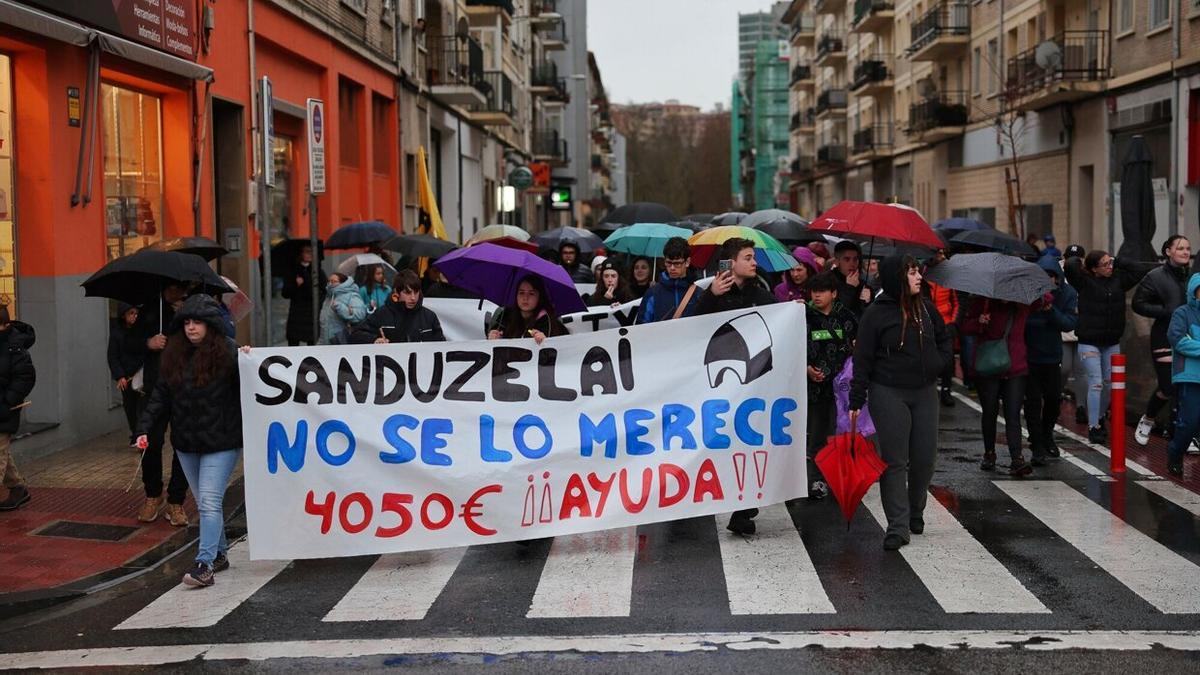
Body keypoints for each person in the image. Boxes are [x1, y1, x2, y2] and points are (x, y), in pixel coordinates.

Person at [136, 295, 241, 587]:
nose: (191, 328)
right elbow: (159, 397)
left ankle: (203, 564)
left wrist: (249, 359)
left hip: (222, 442)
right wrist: (143, 428)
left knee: (208, 501)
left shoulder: (230, 353)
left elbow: (254, 387)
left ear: (211, 325)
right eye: (187, 322)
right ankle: (219, 554)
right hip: (186, 442)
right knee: (205, 502)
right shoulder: (173, 356)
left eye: (197, 322)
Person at [849, 255, 951, 550]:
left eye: (918, 271)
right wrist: (857, 396)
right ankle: (897, 526)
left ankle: (916, 510)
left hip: (924, 392)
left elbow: (945, 339)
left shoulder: (927, 310)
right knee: (894, 461)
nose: (919, 277)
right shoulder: (876, 314)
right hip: (888, 391)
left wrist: (939, 363)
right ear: (897, 278)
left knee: (924, 460)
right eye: (911, 272)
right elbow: (863, 358)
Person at [696, 238, 778, 535]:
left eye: (754, 257)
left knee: (751, 443)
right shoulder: (713, 294)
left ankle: (743, 508)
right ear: (730, 263)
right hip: (719, 385)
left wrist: (795, 311)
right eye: (748, 257)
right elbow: (690, 331)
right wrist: (710, 297)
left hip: (754, 385)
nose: (754, 262)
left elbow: (780, 323)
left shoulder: (762, 294)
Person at [1065, 249, 1146, 443]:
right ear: (1093, 269)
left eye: (1110, 263)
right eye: (1105, 264)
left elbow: (1139, 269)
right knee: (1096, 381)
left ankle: (1100, 416)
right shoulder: (1084, 282)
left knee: (1110, 386)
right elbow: (1070, 265)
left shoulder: (1119, 280)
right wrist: (1082, 259)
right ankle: (1094, 426)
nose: (1109, 267)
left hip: (1111, 342)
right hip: (1089, 341)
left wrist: (1117, 260)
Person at [127, 284, 190, 526]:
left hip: (185, 388)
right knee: (150, 442)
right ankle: (153, 495)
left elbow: (214, 335)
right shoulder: (150, 311)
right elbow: (129, 344)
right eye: (176, 287)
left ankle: (176, 501)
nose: (181, 291)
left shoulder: (191, 308)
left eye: (185, 287)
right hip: (155, 388)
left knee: (183, 444)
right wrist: (148, 343)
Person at [962, 296, 1034, 476]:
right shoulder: (983, 302)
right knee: (990, 411)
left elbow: (1044, 299)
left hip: (1016, 366)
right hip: (989, 366)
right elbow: (965, 327)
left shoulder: (1021, 303)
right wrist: (979, 322)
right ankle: (989, 453)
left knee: (1013, 414)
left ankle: (1017, 458)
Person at [1132, 235, 1193, 446]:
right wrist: (1165, 311)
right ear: (1168, 251)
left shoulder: (1193, 277)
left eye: (1188, 248)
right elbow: (1138, 304)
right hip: (1164, 336)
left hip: (1190, 338)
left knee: (1188, 386)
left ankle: (1182, 432)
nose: (1185, 252)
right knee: (1168, 386)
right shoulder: (1155, 276)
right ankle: (1148, 418)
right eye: (1180, 248)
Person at [804, 272, 857, 500]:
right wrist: (806, 368)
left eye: (822, 291)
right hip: (815, 388)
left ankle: (841, 477)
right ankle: (816, 480)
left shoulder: (847, 318)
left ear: (834, 293)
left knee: (842, 434)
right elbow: (792, 346)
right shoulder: (804, 316)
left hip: (842, 390)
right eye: (814, 291)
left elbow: (859, 349)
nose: (816, 295)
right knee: (817, 436)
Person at [1024, 257, 1079, 464]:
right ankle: (1037, 444)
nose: (1049, 280)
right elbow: (1023, 321)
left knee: (1054, 400)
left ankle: (1047, 435)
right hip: (1029, 356)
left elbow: (1068, 323)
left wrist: (1050, 311)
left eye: (1053, 277)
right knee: (1032, 401)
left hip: (1052, 355)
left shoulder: (1067, 294)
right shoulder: (1027, 293)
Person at [0, 306, 35, 512]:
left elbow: (26, 377)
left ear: (5, 325)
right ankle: (18, 487)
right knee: (2, 452)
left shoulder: (16, 347)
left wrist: (7, 402)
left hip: (5, 409)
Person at [350, 270, 445, 344]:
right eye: (407, 293)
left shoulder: (429, 316)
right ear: (396, 292)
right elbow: (356, 334)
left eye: (416, 292)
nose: (413, 298)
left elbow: (441, 344)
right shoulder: (382, 314)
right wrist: (374, 340)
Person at [1166, 273, 1200, 476]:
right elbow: (1178, 340)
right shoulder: (1182, 313)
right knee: (1189, 420)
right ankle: (1175, 452)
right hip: (1190, 376)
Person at [637, 237, 701, 323]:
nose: (672, 268)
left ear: (687, 262)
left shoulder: (698, 293)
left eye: (677, 263)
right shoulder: (653, 293)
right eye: (668, 263)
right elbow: (641, 327)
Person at [925, 249, 959, 407]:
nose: (943, 256)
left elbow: (956, 301)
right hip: (929, 322)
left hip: (946, 323)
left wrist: (952, 321)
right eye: (939, 253)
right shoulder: (924, 273)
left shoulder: (949, 276)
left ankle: (946, 390)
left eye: (944, 253)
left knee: (948, 359)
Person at [488, 275, 568, 344]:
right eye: (521, 293)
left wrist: (546, 341)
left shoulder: (546, 320)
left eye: (531, 293)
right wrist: (493, 334)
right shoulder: (506, 314)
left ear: (539, 297)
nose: (525, 298)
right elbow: (496, 334)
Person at [108, 303, 144, 447]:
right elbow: (113, 356)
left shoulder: (141, 331)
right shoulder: (117, 334)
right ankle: (135, 432)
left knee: (142, 406)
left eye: (136, 313)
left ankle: (140, 434)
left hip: (141, 374)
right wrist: (120, 376)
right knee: (130, 407)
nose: (134, 316)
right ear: (124, 315)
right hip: (126, 377)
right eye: (131, 313)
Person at [1060, 244, 1087, 422]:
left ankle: (1081, 407)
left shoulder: (1088, 274)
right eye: (1070, 257)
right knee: (1064, 368)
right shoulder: (1057, 275)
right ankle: (1054, 397)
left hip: (1084, 329)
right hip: (1063, 328)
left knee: (1081, 371)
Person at [281, 244, 325, 346]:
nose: (310, 254)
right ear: (301, 254)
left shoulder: (317, 270)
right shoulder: (293, 271)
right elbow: (285, 293)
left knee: (312, 341)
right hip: (297, 312)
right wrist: (295, 285)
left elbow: (324, 289)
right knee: (293, 341)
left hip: (312, 312)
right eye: (307, 251)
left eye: (312, 251)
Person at [319, 273, 367, 344]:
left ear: (343, 283)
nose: (330, 284)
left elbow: (360, 314)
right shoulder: (329, 297)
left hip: (342, 340)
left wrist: (341, 308)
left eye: (334, 281)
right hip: (325, 341)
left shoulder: (351, 295)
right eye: (329, 281)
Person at [831, 241, 871, 316]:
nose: (852, 264)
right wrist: (850, 288)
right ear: (837, 261)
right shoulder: (826, 281)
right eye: (847, 259)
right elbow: (836, 311)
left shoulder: (863, 284)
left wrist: (867, 302)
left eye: (855, 259)